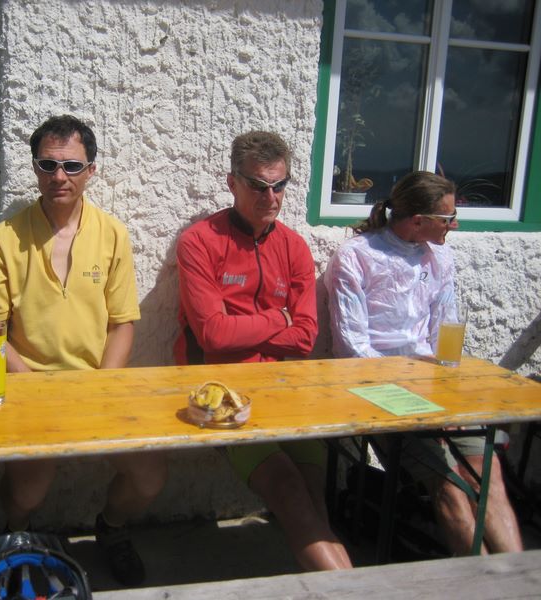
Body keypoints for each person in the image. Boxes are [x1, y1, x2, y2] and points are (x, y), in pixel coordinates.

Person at [0, 114, 167, 587]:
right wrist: (34, 389)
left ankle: (112, 527)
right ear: (35, 168)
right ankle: (16, 535)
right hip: (29, 384)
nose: (59, 176)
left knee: (149, 475)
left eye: (71, 165)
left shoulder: (112, 233)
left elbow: (122, 324)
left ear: (91, 171)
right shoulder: (5, 238)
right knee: (29, 488)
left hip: (97, 383)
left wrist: (99, 388)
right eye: (48, 164)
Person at [175, 130, 352, 571]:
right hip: (219, 390)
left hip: (282, 386)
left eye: (279, 185)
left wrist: (247, 328)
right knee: (289, 492)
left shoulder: (293, 246)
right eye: (258, 186)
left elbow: (305, 337)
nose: (270, 198)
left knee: (313, 496)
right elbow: (213, 336)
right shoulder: (199, 241)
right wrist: (279, 319)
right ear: (232, 183)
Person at [324, 170, 523, 556]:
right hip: (378, 390)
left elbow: (442, 333)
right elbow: (352, 347)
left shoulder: (440, 256)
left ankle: (520, 577)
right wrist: (422, 405)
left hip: (434, 386)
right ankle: (482, 577)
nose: (455, 224)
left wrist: (448, 401)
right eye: (448, 218)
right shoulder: (357, 256)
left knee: (488, 476)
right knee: (449, 486)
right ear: (418, 220)